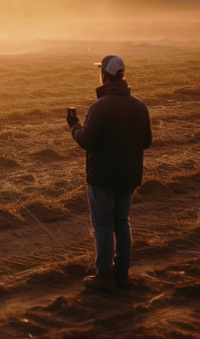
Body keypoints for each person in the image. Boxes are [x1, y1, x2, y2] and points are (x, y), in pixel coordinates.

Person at [67, 55, 152, 290]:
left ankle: (104, 275)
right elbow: (146, 141)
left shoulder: (100, 107)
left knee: (103, 225)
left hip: (103, 177)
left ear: (104, 75)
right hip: (129, 176)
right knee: (122, 223)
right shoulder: (139, 105)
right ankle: (122, 273)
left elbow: (87, 140)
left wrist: (74, 126)